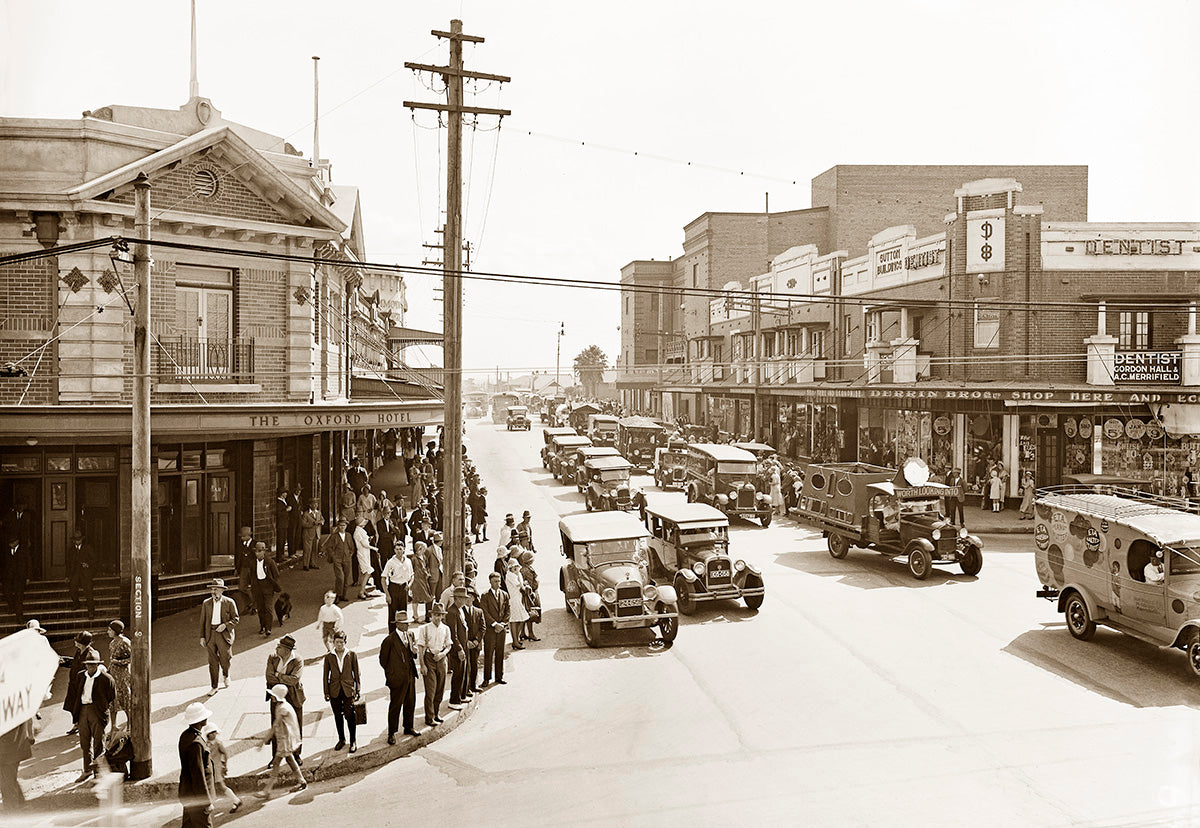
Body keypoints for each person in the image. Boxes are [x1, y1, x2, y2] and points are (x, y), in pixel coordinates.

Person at [379, 610, 420, 742]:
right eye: (404, 623)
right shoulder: (389, 640)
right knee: (395, 705)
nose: (407, 625)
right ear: (398, 625)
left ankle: (408, 727)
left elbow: (413, 654)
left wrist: (414, 652)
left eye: (407, 623)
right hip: (397, 679)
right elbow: (383, 661)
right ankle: (391, 733)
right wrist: (391, 675)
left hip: (410, 676)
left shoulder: (410, 635)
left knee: (410, 702)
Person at [73, 654, 115, 782]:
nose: (90, 667)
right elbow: (75, 692)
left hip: (97, 711)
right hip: (83, 711)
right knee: (85, 743)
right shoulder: (80, 676)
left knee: (98, 742)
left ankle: (98, 772)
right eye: (88, 664)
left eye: (93, 664)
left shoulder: (106, 679)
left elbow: (111, 695)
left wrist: (101, 707)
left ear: (97, 665)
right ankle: (87, 770)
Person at [264, 634, 305, 764]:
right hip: (276, 695)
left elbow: (295, 680)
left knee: (295, 725)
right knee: (276, 725)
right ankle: (276, 756)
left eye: (279, 646)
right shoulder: (272, 657)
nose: (276, 648)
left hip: (293, 696)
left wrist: (278, 675)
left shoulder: (298, 660)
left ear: (287, 650)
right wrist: (284, 677)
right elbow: (269, 677)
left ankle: (296, 754)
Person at [260, 685, 306, 797]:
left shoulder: (282, 709)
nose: (271, 697)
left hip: (285, 741)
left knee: (276, 764)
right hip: (284, 740)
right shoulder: (283, 706)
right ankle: (301, 780)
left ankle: (267, 790)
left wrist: (266, 739)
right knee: (290, 760)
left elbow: (276, 725)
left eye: (273, 696)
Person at [178, 702, 216, 828]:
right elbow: (198, 774)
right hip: (196, 797)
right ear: (201, 720)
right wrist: (206, 802)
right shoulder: (196, 743)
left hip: (188, 793)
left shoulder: (185, 736)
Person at [322, 630, 360, 753]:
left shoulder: (352, 654)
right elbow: (325, 675)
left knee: (350, 716)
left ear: (345, 642)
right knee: (338, 716)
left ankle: (353, 741)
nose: (339, 645)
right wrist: (326, 692)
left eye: (341, 642)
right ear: (333, 642)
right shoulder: (329, 657)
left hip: (348, 690)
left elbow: (357, 673)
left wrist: (357, 689)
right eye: (337, 642)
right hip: (334, 691)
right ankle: (341, 739)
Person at [415, 602, 452, 726]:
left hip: (441, 659)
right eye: (435, 615)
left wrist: (442, 654)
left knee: (440, 689)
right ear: (431, 616)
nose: (437, 617)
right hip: (429, 659)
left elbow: (449, 645)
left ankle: (436, 713)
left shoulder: (446, 629)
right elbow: (420, 648)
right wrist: (422, 665)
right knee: (430, 690)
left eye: (439, 615)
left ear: (442, 616)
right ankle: (429, 717)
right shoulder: (424, 628)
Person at [61, 631, 99, 735]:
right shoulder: (79, 651)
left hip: (83, 684)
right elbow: (75, 663)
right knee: (73, 705)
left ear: (82, 643)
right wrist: (65, 661)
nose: (75, 642)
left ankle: (84, 726)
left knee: (83, 706)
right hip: (74, 683)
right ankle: (77, 724)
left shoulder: (90, 654)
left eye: (77, 641)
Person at [202, 724, 242, 814]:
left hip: (216, 767)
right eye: (213, 732)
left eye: (215, 732)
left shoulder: (218, 743)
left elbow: (225, 754)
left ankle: (236, 800)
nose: (215, 734)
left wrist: (225, 765)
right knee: (213, 786)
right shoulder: (206, 744)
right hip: (210, 768)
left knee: (221, 786)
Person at [481, 572, 510, 686]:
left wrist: (502, 624)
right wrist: (494, 624)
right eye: (495, 581)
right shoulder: (485, 596)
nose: (498, 583)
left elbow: (508, 610)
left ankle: (499, 676)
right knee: (488, 653)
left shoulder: (504, 595)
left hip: (501, 629)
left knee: (500, 653)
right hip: (490, 630)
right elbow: (484, 612)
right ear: (490, 582)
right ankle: (486, 678)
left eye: (499, 581)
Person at [0, 718, 34, 812]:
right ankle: (21, 805)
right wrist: (30, 735)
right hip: (15, 745)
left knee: (7, 782)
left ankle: (13, 813)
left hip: (6, 749)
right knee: (8, 778)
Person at [250, 542, 281, 636]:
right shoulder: (252, 562)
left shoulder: (270, 562)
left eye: (260, 551)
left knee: (268, 608)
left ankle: (268, 628)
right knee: (260, 608)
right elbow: (252, 575)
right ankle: (262, 627)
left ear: (264, 552)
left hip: (267, 588)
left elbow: (276, 575)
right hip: (258, 587)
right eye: (256, 551)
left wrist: (273, 585)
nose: (257, 553)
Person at [106, 620, 132, 732]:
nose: (108, 632)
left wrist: (119, 662)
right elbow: (111, 659)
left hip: (123, 675)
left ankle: (130, 723)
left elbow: (132, 658)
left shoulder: (125, 642)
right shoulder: (112, 643)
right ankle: (113, 725)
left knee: (126, 699)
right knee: (113, 700)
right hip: (113, 674)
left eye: (110, 630)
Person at [320, 519, 354, 602]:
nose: (342, 527)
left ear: (346, 526)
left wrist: (350, 554)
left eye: (344, 526)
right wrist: (333, 557)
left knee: (346, 578)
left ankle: (343, 595)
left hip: (347, 559)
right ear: (338, 526)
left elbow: (352, 547)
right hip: (337, 559)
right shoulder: (334, 536)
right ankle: (338, 595)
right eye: (341, 525)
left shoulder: (348, 535)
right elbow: (329, 547)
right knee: (340, 578)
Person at [382, 545, 414, 633]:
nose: (399, 551)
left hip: (404, 588)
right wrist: (387, 595)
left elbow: (412, 575)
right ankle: (392, 635)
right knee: (392, 614)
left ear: (404, 549)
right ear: (394, 550)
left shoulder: (408, 561)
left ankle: (403, 633)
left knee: (403, 613)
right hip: (393, 588)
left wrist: (409, 585)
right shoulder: (390, 562)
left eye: (400, 549)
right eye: (397, 549)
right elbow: (383, 578)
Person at [67, 528, 95, 615]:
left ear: (82, 540)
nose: (77, 542)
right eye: (76, 540)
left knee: (88, 593)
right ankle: (76, 604)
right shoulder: (71, 550)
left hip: (85, 573)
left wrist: (88, 564)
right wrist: (67, 576)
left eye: (79, 540)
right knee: (72, 589)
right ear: (73, 541)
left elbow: (94, 560)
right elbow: (68, 563)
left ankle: (91, 612)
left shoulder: (87, 548)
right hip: (75, 573)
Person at [1, 534, 30, 618]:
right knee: (6, 592)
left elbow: (28, 564)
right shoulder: (6, 551)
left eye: (12, 543)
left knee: (19, 597)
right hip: (8, 578)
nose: (10, 544)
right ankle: (11, 606)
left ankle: (19, 616)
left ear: (16, 542)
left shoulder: (23, 551)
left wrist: (28, 577)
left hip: (19, 578)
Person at [463, 586, 485, 695]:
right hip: (465, 644)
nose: (468, 599)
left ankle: (473, 685)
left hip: (476, 644)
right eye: (466, 597)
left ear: (473, 599)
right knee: (466, 666)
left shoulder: (479, 611)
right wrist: (466, 641)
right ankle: (466, 688)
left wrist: (476, 641)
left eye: (470, 597)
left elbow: (482, 628)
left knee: (474, 665)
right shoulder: (461, 611)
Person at [506, 560, 530, 649]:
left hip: (517, 599)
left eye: (517, 566)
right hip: (514, 600)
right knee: (515, 620)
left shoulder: (513, 575)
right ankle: (515, 641)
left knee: (519, 619)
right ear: (510, 568)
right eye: (514, 567)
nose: (516, 568)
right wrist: (521, 578)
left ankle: (515, 639)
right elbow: (519, 585)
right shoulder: (510, 576)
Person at [351, 518, 376, 601]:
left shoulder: (360, 530)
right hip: (362, 553)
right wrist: (374, 548)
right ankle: (361, 592)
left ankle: (364, 590)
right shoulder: (358, 532)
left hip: (365, 552)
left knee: (364, 572)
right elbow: (364, 544)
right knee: (368, 571)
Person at [410, 541, 435, 621]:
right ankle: (415, 615)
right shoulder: (413, 559)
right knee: (416, 598)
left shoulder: (423, 557)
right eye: (423, 548)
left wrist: (427, 573)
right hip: (417, 580)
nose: (425, 550)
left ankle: (417, 615)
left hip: (423, 579)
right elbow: (411, 570)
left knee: (425, 597)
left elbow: (426, 566)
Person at [234, 526, 256, 611]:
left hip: (252, 569)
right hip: (243, 568)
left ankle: (254, 605)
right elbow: (239, 558)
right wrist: (237, 569)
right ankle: (249, 603)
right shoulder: (241, 545)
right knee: (242, 587)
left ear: (248, 536)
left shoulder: (254, 544)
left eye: (243, 536)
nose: (242, 538)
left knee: (254, 587)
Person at [299, 498, 323, 571]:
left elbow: (322, 519)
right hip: (308, 534)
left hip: (316, 533)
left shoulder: (318, 512)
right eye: (314, 504)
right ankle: (305, 565)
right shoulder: (306, 514)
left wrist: (321, 522)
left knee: (314, 549)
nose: (315, 505)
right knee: (307, 549)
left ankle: (313, 563)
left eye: (317, 504)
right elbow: (303, 524)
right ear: (310, 505)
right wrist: (312, 524)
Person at [274, 488, 292, 561]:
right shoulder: (279, 502)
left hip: (284, 523)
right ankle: (279, 556)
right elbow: (279, 513)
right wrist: (286, 510)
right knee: (280, 540)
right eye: (285, 493)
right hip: (281, 524)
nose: (286, 494)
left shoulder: (283, 501)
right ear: (281, 494)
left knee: (283, 540)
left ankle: (281, 555)